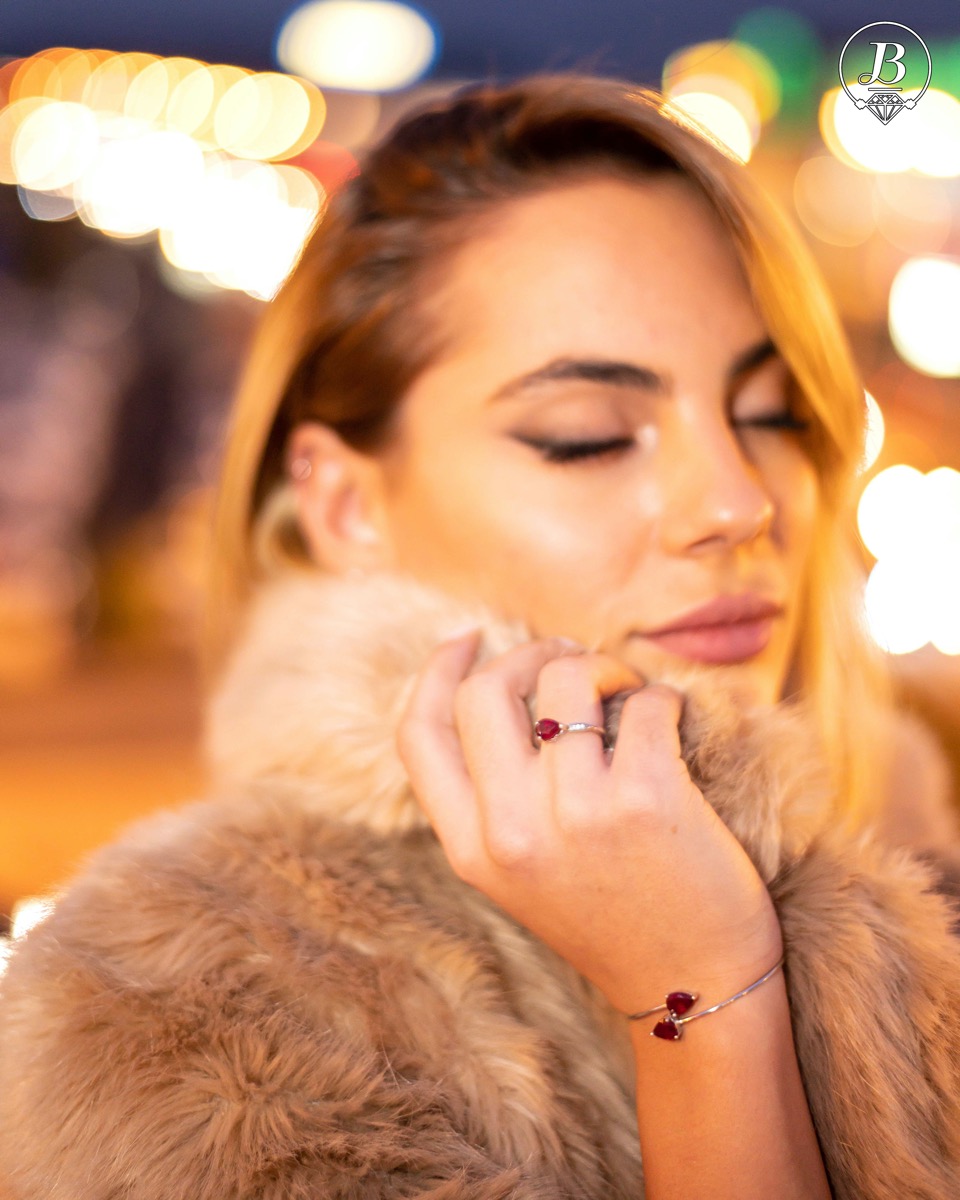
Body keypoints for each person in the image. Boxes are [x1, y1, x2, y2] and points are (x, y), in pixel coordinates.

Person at [2, 73, 960, 1200]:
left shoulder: (913, 838)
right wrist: (702, 1002)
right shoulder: (180, 1007)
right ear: (347, 506)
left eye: (770, 414)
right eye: (587, 436)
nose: (740, 500)